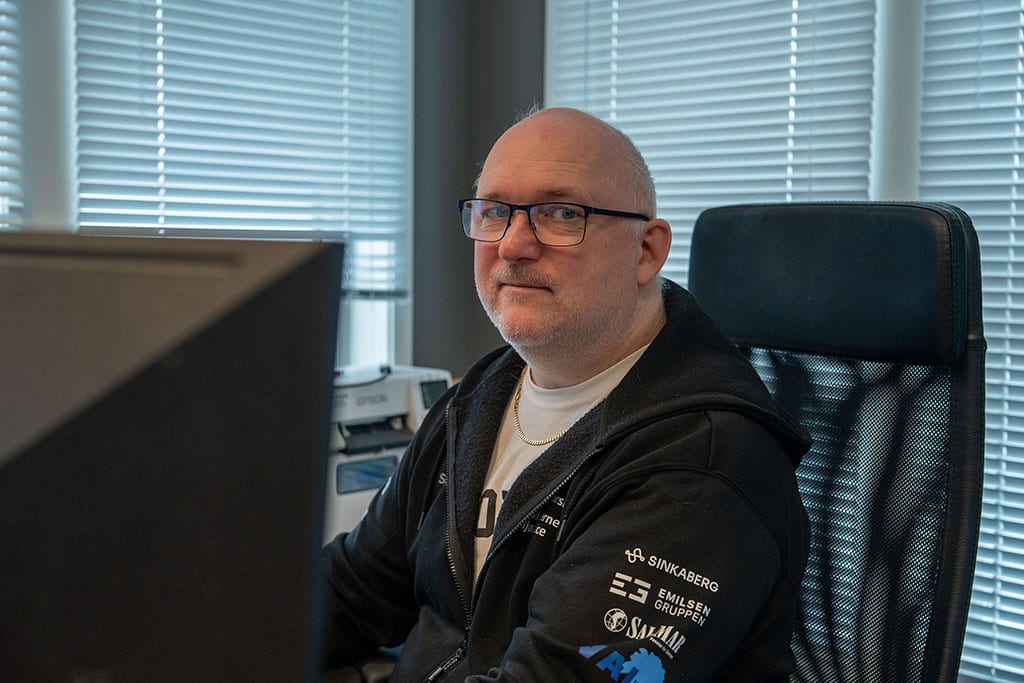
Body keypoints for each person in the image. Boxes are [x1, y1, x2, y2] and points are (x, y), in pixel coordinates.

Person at [321, 107, 811, 681]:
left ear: (647, 251)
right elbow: (348, 594)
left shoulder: (704, 464)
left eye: (560, 214)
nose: (513, 246)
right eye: (496, 211)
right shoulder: (481, 394)